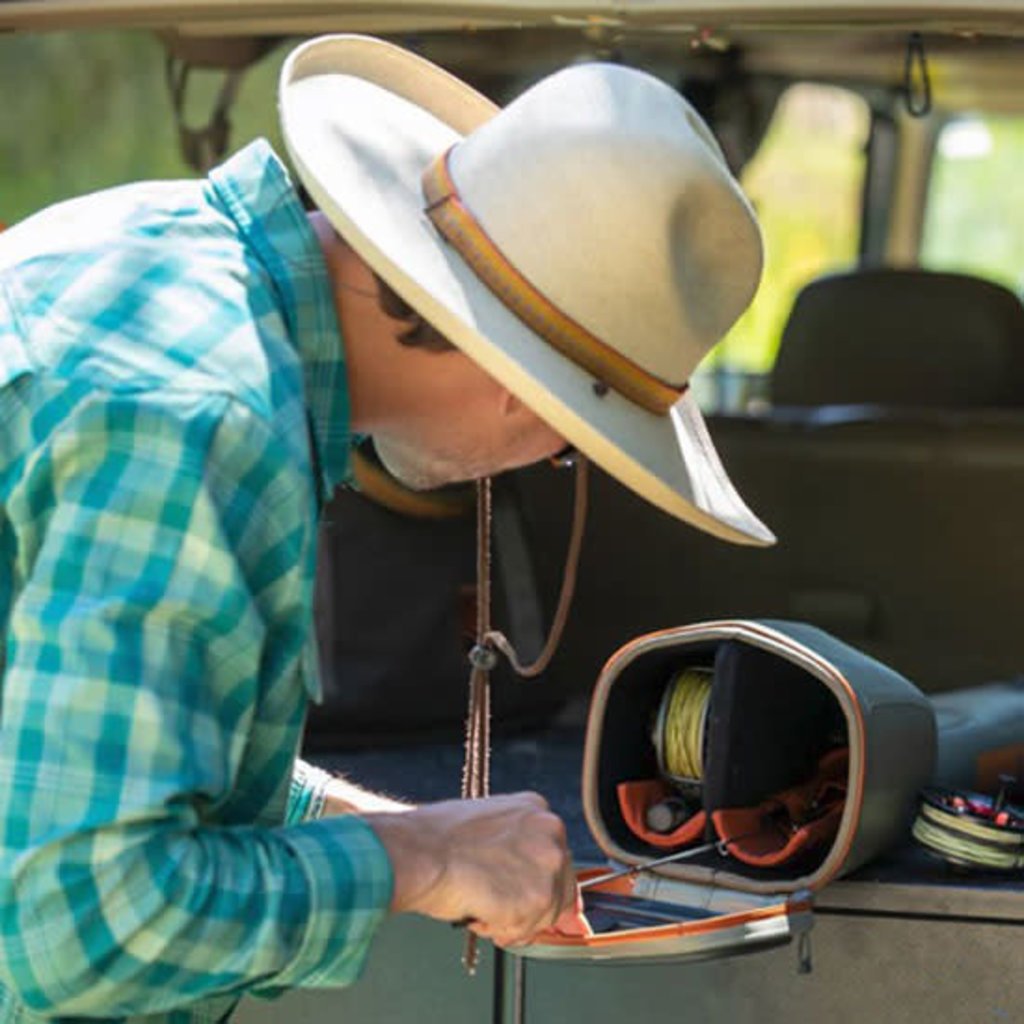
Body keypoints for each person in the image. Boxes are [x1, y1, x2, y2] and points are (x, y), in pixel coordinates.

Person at [0, 32, 772, 1024]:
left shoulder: (155, 255)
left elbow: (80, 754)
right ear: (516, 390)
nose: (547, 461)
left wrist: (392, 830)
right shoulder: (207, 419)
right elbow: (90, 928)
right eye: (577, 442)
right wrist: (424, 858)